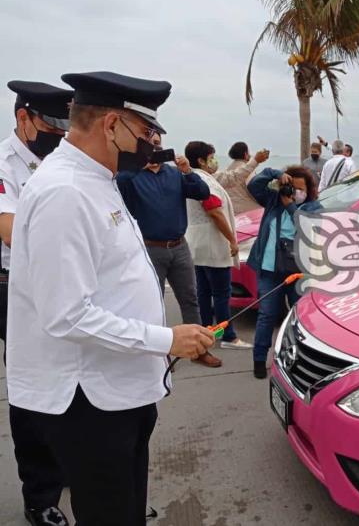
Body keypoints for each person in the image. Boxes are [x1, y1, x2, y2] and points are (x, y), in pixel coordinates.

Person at [6, 71, 215, 526]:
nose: (153, 142)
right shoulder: (64, 191)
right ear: (111, 125)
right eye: (146, 131)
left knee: (123, 507)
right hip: (89, 400)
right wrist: (166, 339)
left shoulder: (97, 180)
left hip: (118, 389)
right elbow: (65, 316)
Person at [1, 81, 72, 526]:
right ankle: (39, 496)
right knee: (31, 388)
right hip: (13, 284)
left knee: (67, 377)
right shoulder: (5, 164)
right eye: (50, 124)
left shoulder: (60, 159)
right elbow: (8, 229)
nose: (58, 133)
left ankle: (64, 462)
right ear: (23, 116)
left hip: (59, 279)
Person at [117, 134, 224, 368]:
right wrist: (138, 166)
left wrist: (187, 171)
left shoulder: (173, 173)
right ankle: (160, 354)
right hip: (149, 248)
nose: (155, 148)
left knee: (190, 298)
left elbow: (202, 192)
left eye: (157, 144)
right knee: (152, 303)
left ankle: (199, 349)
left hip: (179, 246)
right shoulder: (132, 176)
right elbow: (118, 186)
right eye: (150, 145)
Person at [246, 165, 321, 378]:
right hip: (269, 271)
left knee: (300, 317)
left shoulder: (313, 207)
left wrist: (290, 206)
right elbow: (253, 184)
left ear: (309, 190)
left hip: (297, 274)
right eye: (291, 187)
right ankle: (259, 359)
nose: (295, 192)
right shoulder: (272, 202)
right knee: (267, 315)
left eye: (300, 188)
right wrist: (276, 174)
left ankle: (300, 359)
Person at [185, 141, 248, 353]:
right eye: (211, 157)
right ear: (201, 160)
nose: (215, 161)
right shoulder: (205, 182)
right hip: (213, 243)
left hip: (198, 243)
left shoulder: (191, 178)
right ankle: (227, 334)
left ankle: (208, 330)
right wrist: (232, 239)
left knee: (204, 291)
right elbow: (215, 211)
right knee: (221, 293)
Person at [215, 141, 269, 215]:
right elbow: (255, 189)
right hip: (249, 210)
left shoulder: (227, 170)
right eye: (248, 152)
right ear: (245, 154)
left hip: (231, 210)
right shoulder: (247, 171)